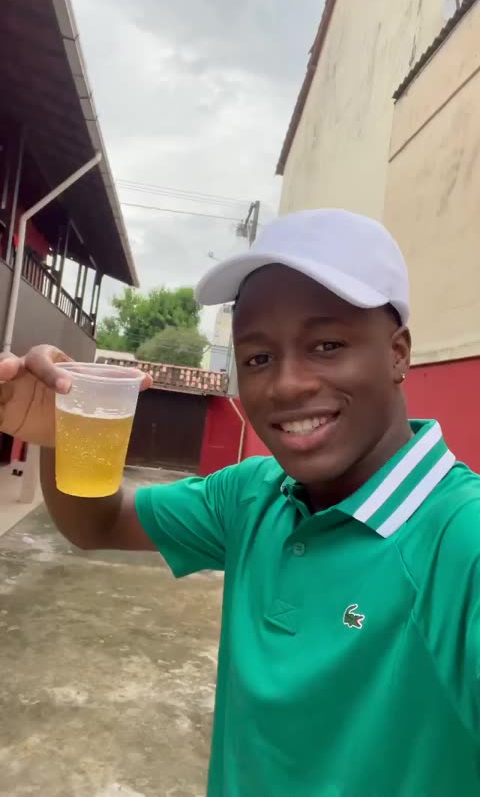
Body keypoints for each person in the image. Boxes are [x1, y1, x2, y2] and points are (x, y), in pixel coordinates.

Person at [0, 209, 479, 796]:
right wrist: (60, 433)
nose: (287, 384)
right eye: (258, 358)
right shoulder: (252, 495)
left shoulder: (462, 542)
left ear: (399, 352)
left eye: (327, 345)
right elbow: (97, 524)